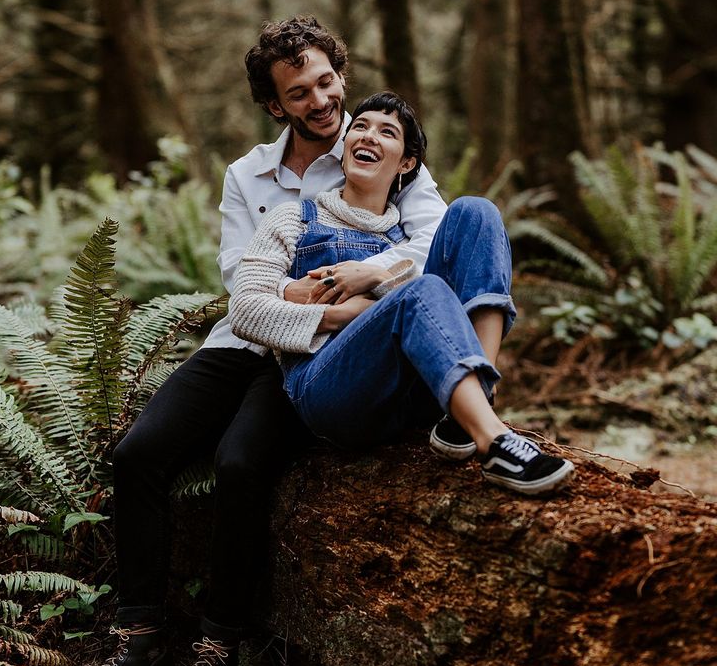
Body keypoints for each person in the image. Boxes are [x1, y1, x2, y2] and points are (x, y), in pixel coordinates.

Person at [48, 15, 448, 666]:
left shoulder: (378, 146)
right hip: (242, 341)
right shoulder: (247, 176)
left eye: (327, 81)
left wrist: (352, 290)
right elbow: (244, 287)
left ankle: (217, 648)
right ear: (275, 105)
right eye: (300, 93)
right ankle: (138, 640)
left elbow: (429, 250)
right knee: (138, 453)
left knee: (240, 463)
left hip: (305, 359)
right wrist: (311, 301)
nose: (322, 101)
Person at [229, 91, 574, 495]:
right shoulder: (295, 219)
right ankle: (494, 442)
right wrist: (344, 314)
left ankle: (477, 397)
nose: (369, 136)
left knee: (477, 211)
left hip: (411, 394)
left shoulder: (412, 237)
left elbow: (456, 268)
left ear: (406, 163)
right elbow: (245, 309)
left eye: (387, 132)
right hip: (328, 389)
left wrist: (374, 280)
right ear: (344, 149)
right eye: (360, 127)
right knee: (422, 290)